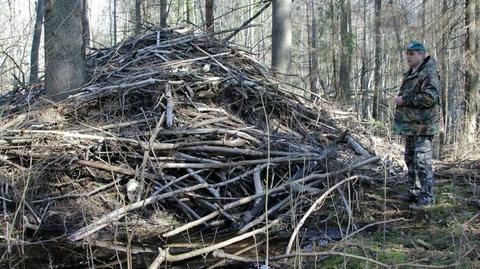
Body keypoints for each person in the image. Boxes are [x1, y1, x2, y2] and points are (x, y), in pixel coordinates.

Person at [393, 41, 441, 208]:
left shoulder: (429, 72)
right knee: (410, 159)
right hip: (411, 126)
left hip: (424, 126)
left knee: (422, 161)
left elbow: (430, 97)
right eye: (407, 53)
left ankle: (427, 197)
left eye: (412, 53)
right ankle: (414, 191)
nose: (408, 56)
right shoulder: (411, 73)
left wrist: (404, 100)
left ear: (422, 54)